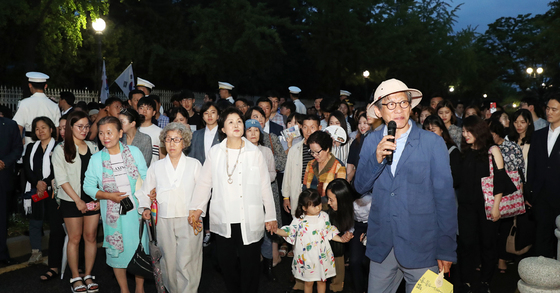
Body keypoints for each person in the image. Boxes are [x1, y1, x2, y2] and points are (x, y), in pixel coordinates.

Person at [354, 78, 457, 293]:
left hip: (422, 245)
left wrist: (446, 249)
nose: (398, 109)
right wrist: (376, 159)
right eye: (390, 104)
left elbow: (445, 199)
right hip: (383, 244)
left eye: (403, 103)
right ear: (379, 111)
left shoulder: (432, 143)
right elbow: (360, 186)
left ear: (411, 107)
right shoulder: (371, 141)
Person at [188, 107, 277, 293]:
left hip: (250, 219)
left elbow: (264, 187)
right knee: (225, 264)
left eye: (239, 121)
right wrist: (196, 208)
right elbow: (205, 183)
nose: (236, 125)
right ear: (222, 128)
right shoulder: (215, 152)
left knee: (250, 266)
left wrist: (270, 216)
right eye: (230, 122)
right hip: (224, 218)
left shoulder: (255, 153)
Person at [83, 117, 149, 293]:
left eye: (110, 132)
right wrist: (108, 196)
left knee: (139, 249)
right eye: (102, 133)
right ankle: (124, 289)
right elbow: (87, 186)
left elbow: (147, 178)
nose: (105, 137)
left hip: (137, 212)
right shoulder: (96, 159)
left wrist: (146, 205)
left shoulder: (134, 152)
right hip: (113, 215)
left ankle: (140, 288)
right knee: (116, 253)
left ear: (120, 133)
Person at [135, 122, 202, 293]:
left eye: (177, 139)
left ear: (184, 142)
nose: (172, 143)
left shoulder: (194, 164)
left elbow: (203, 191)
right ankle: (171, 290)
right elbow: (145, 191)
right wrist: (146, 208)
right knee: (168, 261)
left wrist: (198, 211)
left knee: (187, 260)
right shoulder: (156, 166)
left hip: (189, 218)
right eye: (168, 139)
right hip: (163, 219)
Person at [457, 115, 512, 292]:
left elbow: (500, 180)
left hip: (487, 206)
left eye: (468, 131)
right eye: (463, 131)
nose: (465, 134)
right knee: (466, 244)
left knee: (488, 244)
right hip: (466, 206)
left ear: (478, 130)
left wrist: (496, 206)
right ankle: (466, 281)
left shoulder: (492, 150)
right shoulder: (464, 151)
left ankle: (485, 282)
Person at [52, 111, 100, 292]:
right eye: (80, 126)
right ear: (71, 128)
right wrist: (77, 200)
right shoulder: (61, 149)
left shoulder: (94, 147)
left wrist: (97, 197)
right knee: (74, 238)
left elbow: (99, 175)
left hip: (92, 199)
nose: (84, 130)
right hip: (71, 200)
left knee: (91, 237)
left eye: (87, 126)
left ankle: (87, 274)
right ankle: (75, 276)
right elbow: (61, 179)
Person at [274, 189, 349, 293]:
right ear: (304, 207)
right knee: (308, 282)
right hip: (307, 258)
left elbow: (328, 232)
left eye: (319, 203)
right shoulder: (299, 220)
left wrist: (341, 239)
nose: (318, 207)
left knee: (322, 281)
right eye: (314, 205)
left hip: (322, 256)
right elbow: (289, 231)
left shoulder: (324, 216)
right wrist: (277, 230)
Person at [244, 119, 282, 276]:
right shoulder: (240, 152)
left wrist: (262, 178)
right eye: (249, 130)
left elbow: (273, 173)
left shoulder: (266, 151)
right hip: (246, 199)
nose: (253, 133)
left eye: (256, 130)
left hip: (264, 197)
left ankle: (268, 267)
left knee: (267, 235)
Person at [488, 117, 525, 273]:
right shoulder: (485, 148)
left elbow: (520, 170)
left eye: (491, 133)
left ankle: (502, 259)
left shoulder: (512, 147)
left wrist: (522, 192)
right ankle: (489, 260)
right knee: (490, 230)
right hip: (491, 192)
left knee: (505, 229)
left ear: (497, 133)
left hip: (509, 193)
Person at [526, 94, 560, 258]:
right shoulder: (537, 135)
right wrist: (529, 192)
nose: (549, 112)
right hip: (541, 196)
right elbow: (531, 166)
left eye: (554, 109)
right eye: (548, 108)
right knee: (541, 238)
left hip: (559, 195)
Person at [23, 117, 56, 264]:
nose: (40, 131)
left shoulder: (59, 147)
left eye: (43, 127)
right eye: (37, 129)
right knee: (35, 222)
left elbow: (59, 169)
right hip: (36, 190)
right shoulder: (30, 147)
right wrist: (38, 183)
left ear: (51, 129)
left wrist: (46, 183)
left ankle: (54, 254)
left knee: (55, 223)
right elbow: (27, 169)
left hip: (54, 190)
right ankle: (35, 252)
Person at [325, 179, 356, 292]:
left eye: (331, 199)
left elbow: (354, 223)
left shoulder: (356, 207)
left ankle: (337, 285)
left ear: (342, 199)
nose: (328, 203)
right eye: (327, 198)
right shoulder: (327, 211)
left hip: (349, 236)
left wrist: (350, 233)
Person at [0, 116, 23, 267]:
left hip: (3, 178)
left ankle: (2, 254)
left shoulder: (10, 124)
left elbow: (18, 148)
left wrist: (5, 162)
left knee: (2, 219)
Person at [13, 72, 60, 144]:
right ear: (45, 86)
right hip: (49, 143)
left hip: (30, 142)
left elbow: (18, 127)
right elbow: (56, 129)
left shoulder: (24, 103)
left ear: (30, 85)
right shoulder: (54, 105)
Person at [303, 131, 346, 204]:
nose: (314, 155)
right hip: (311, 209)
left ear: (327, 149)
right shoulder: (310, 164)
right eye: (312, 152)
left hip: (329, 210)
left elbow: (340, 195)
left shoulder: (339, 167)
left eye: (317, 152)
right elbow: (304, 187)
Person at [423, 115, 461, 188]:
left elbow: (456, 178)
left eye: (433, 130)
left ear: (441, 130)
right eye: (427, 131)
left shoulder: (452, 150)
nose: (430, 134)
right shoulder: (422, 150)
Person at [509, 109, 534, 180]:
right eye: (515, 122)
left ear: (529, 122)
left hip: (528, 178)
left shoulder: (535, 140)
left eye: (522, 122)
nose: (518, 125)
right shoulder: (508, 139)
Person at [137, 97, 163, 164]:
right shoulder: (132, 130)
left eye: (148, 108)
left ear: (154, 112)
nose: (144, 111)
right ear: (137, 110)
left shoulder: (160, 132)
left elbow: (162, 156)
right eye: (141, 108)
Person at [347, 113, 371, 182]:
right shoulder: (355, 142)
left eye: (365, 123)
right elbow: (350, 163)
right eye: (359, 123)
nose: (362, 126)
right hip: (357, 180)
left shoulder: (375, 141)